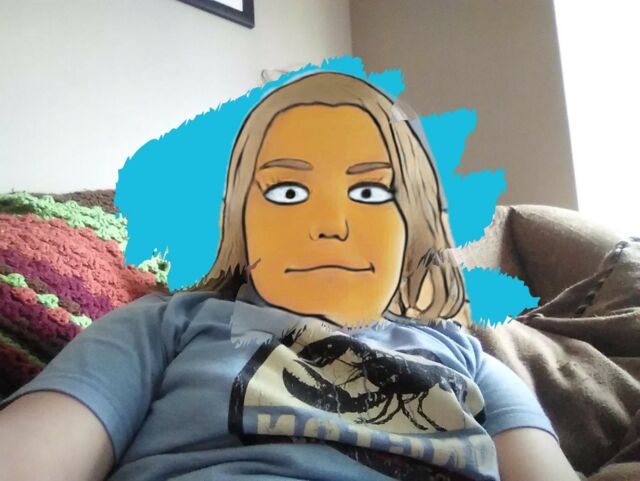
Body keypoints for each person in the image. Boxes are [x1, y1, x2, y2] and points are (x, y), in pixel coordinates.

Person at [0, 71, 581, 481]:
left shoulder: (468, 356)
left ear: (417, 228)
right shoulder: (162, 326)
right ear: (239, 221)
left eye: (370, 192)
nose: (330, 225)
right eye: (287, 192)